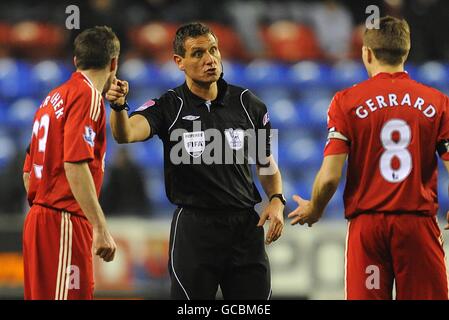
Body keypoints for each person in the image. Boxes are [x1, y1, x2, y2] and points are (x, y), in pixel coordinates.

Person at [106, 22, 285, 300]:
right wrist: (118, 107)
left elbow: (265, 162)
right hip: (195, 230)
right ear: (179, 62)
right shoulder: (169, 106)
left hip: (245, 229)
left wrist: (276, 199)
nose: (209, 59)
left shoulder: (250, 105)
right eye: (198, 53)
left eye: (213, 50)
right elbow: (125, 134)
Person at [288, 16, 449, 300]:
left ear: (367, 53)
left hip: (368, 228)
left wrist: (315, 208)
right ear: (406, 52)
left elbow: (330, 177)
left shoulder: (347, 101)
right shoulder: (437, 102)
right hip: (417, 226)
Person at [22, 26, 119, 300]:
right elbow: (74, 163)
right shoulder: (88, 96)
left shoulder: (52, 98)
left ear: (76, 61)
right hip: (64, 218)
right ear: (114, 63)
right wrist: (99, 227)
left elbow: (28, 171)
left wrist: (44, 211)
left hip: (39, 220)